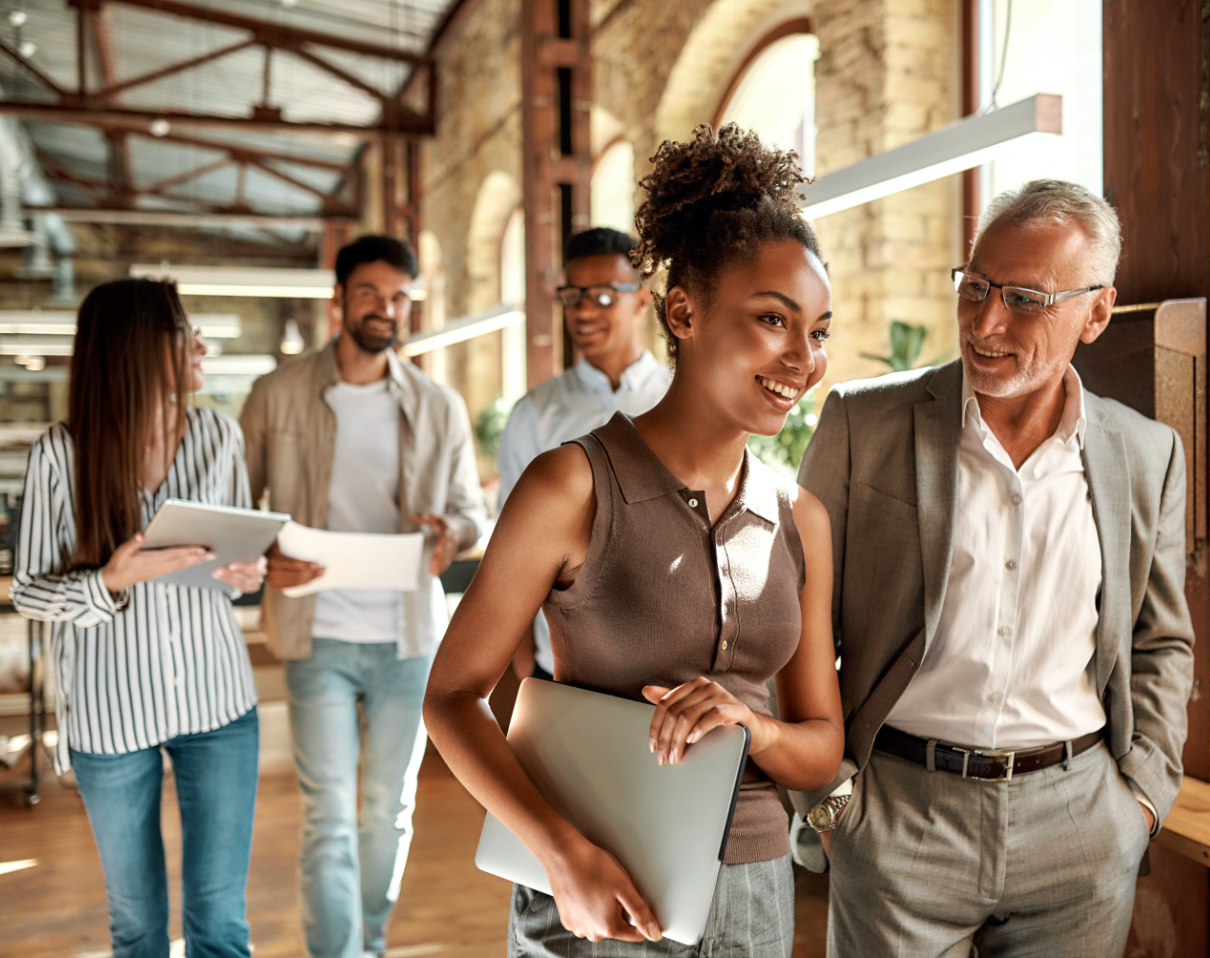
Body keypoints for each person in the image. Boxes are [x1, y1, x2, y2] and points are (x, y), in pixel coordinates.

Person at [422, 124, 844, 955]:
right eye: (773, 320)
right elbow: (450, 698)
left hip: (753, 896)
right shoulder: (571, 484)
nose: (805, 358)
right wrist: (561, 855)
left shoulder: (803, 518)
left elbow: (821, 748)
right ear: (683, 312)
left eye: (820, 330)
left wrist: (753, 730)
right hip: (595, 883)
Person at [792, 179, 1195, 956]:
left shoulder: (1148, 455)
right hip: (897, 813)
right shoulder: (861, 424)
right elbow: (790, 621)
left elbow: (1161, 643)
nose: (985, 322)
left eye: (1023, 298)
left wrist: (1139, 800)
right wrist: (832, 803)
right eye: (975, 286)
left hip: (1079, 822)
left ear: (1097, 311)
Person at [239, 235, 487, 958]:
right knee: (330, 817)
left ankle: (369, 944)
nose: (387, 309)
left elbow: (470, 512)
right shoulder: (276, 393)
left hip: (409, 636)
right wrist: (264, 555)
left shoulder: (438, 404)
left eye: (400, 297)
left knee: (388, 811)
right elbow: (236, 509)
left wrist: (453, 531)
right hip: (316, 634)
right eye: (372, 294)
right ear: (339, 300)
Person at [12, 278, 267, 958]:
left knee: (221, 922)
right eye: (184, 332)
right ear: (136, 348)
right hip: (109, 717)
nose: (200, 346)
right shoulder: (60, 456)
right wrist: (107, 581)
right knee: (137, 928)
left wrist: (245, 574)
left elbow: (231, 564)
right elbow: (30, 592)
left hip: (218, 706)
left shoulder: (219, 433)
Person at [497, 226, 671, 681]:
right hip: (559, 661)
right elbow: (509, 551)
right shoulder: (534, 413)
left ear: (640, 299)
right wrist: (521, 667)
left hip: (667, 657)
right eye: (573, 297)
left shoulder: (682, 398)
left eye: (604, 296)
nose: (584, 311)